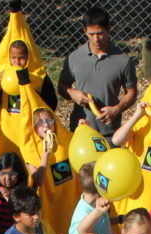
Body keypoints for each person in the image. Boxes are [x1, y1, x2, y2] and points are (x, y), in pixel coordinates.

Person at [56, 6, 136, 136]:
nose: (96, 39)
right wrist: (71, 93)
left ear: (109, 29)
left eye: (100, 33)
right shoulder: (74, 58)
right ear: (85, 31)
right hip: (80, 130)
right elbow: (61, 86)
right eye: (91, 34)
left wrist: (117, 109)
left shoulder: (123, 60)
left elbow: (131, 93)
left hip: (110, 132)